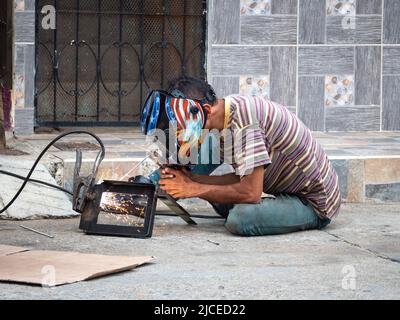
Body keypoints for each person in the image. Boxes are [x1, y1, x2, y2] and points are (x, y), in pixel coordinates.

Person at [150, 76, 341, 237]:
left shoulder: (246, 125)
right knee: (209, 145)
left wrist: (194, 188)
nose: (181, 132)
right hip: (269, 179)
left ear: (206, 111)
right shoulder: (225, 111)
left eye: (183, 125)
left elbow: (251, 191)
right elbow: (246, 175)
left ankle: (220, 198)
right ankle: (147, 189)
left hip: (313, 202)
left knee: (239, 219)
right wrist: (192, 177)